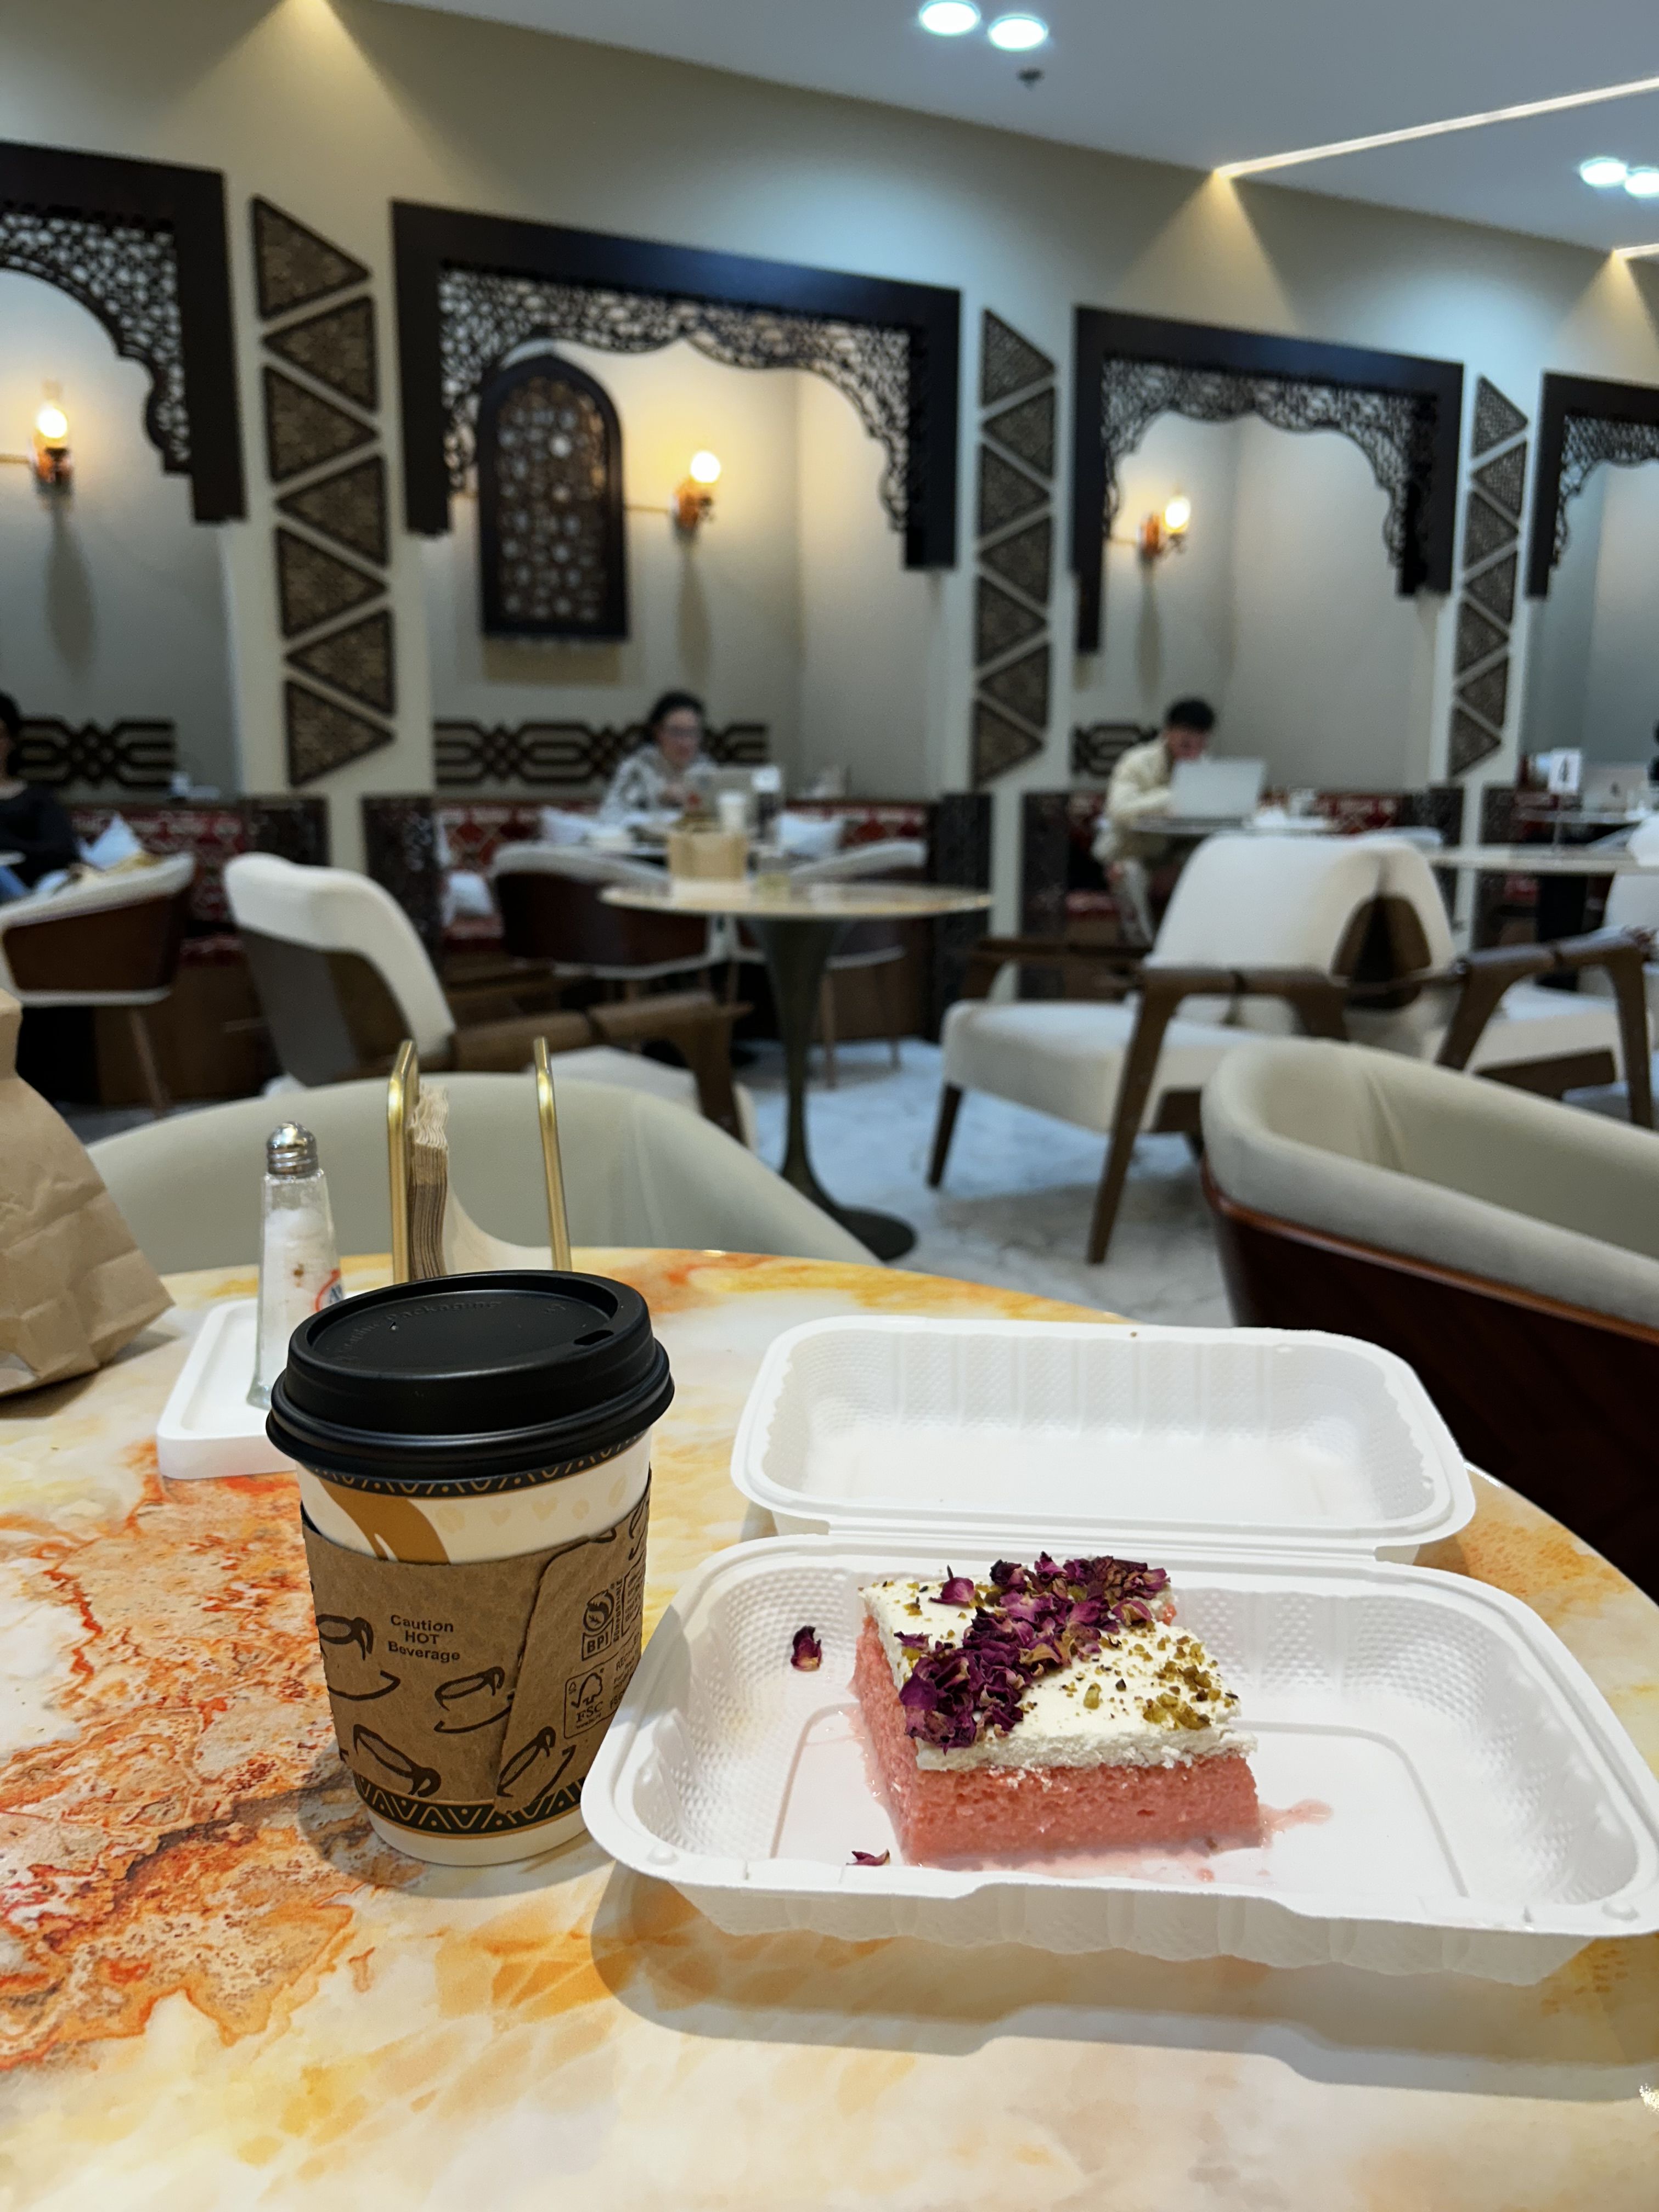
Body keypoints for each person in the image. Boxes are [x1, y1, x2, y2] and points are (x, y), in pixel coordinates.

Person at [1091, 696, 1217, 944]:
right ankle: (1144, 955)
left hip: (1172, 858)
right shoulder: (1137, 762)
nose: (1193, 754)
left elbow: (1205, 830)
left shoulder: (1205, 768)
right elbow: (1119, 810)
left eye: (1200, 746)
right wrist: (1170, 798)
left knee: (1214, 871)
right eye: (1185, 745)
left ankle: (1188, 957)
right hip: (1130, 853)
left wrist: (1178, 864)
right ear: (1168, 734)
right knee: (1126, 874)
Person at [0, 692, 78, 902]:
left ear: (11, 742)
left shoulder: (37, 798)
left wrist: (7, 845)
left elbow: (63, 852)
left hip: (27, 892)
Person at [601, 690, 711, 822]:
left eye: (692, 732)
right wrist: (657, 797)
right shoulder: (637, 766)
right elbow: (608, 817)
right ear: (658, 732)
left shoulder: (706, 768)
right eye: (676, 732)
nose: (685, 742)